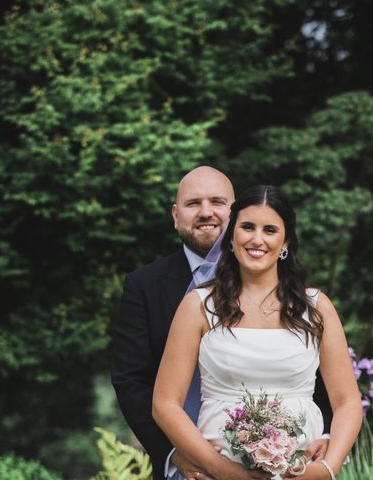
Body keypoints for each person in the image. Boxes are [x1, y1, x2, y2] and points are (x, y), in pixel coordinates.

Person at [112, 169, 332, 480]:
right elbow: (131, 381)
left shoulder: (301, 299)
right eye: (193, 203)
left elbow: (317, 376)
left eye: (217, 202)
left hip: (296, 463)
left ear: (235, 213)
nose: (205, 212)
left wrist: (326, 443)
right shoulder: (145, 285)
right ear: (175, 216)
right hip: (187, 468)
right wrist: (176, 454)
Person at [152, 185, 362, 480]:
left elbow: (348, 402)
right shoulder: (198, 306)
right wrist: (222, 470)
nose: (257, 239)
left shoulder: (317, 307)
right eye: (247, 227)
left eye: (270, 230)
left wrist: (326, 470)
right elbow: (165, 404)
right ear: (232, 236)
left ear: (285, 240)